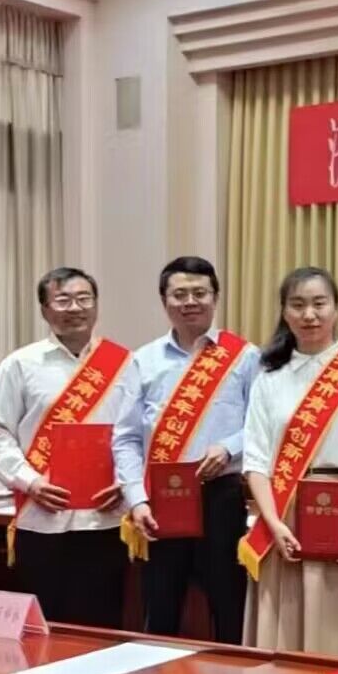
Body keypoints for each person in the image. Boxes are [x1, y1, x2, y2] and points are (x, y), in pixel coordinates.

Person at [240, 267, 338, 659]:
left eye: (319, 303)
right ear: (284, 312)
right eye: (298, 305)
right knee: (285, 627)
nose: (309, 314)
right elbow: (256, 459)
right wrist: (273, 523)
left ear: (336, 309)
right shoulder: (269, 378)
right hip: (285, 513)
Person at [0, 267, 137, 627]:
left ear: (96, 305)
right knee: (47, 627)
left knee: (102, 624)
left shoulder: (125, 363)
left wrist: (126, 482)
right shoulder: (21, 364)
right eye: (63, 300)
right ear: (45, 309)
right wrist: (30, 481)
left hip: (105, 517)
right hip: (42, 515)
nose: (75, 308)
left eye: (84, 299)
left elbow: (139, 434)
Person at [113, 256, 260, 642]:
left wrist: (229, 448)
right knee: (160, 608)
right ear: (164, 301)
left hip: (221, 497)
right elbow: (125, 438)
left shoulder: (245, 357)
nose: (190, 301)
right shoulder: (143, 360)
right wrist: (137, 500)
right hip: (161, 501)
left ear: (216, 298)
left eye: (199, 293)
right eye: (180, 294)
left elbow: (263, 427)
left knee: (228, 606)